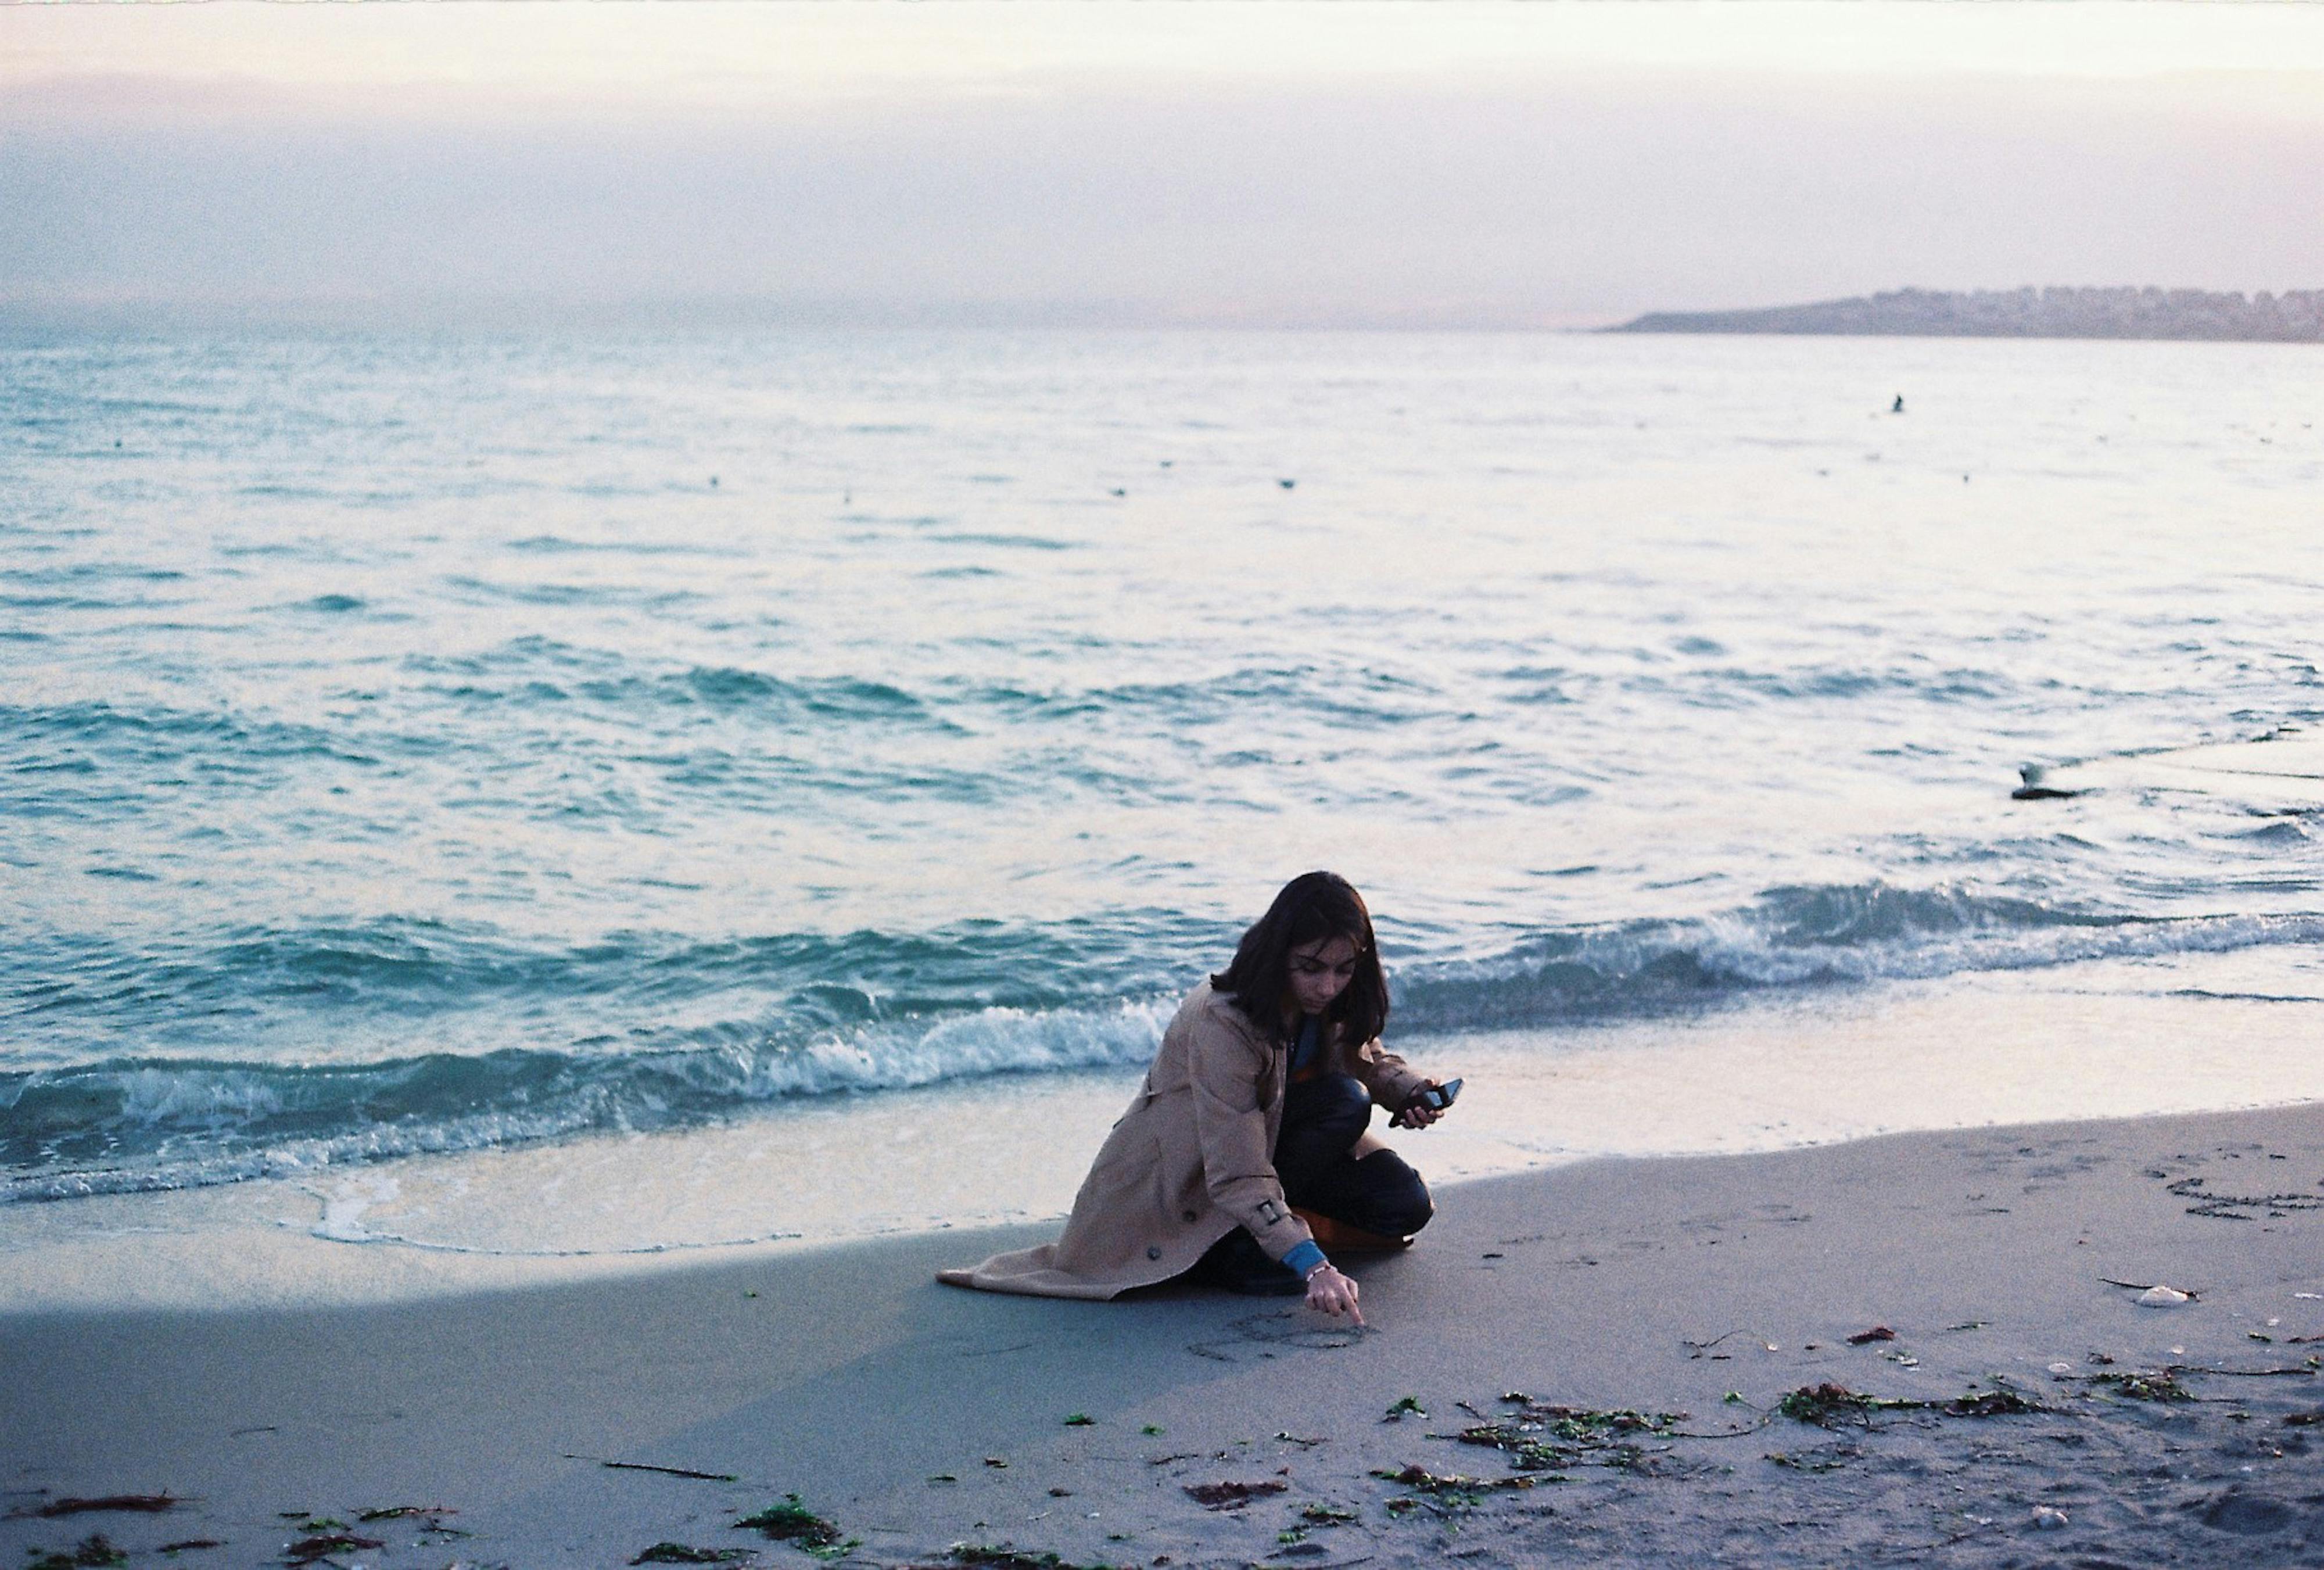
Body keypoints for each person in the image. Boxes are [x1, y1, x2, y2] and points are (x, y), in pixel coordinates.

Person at [938, 872, 1453, 1323]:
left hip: (1274, 1151)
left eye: (1344, 970)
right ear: (1280, 954)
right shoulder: (1225, 1019)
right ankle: (1231, 1243)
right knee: (1344, 1102)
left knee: (1404, 1206)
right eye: (1312, 968)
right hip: (1192, 1181)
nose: (1328, 985)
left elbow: (1365, 1057)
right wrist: (1313, 1264)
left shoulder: (1327, 1001)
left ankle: (1260, 1236)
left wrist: (1412, 1092)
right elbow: (1235, 1168)